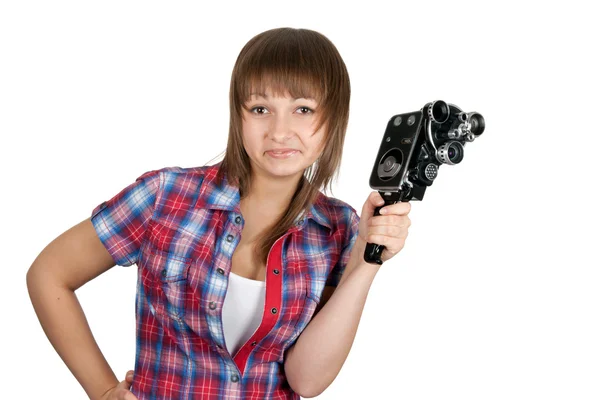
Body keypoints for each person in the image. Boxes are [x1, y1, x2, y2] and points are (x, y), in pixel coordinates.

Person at [26, 27, 412, 400]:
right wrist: (105, 390)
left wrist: (366, 259)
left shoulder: (340, 229)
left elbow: (306, 380)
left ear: (333, 120)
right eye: (261, 108)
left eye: (302, 109)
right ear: (238, 115)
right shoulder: (165, 196)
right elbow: (49, 274)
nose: (280, 131)